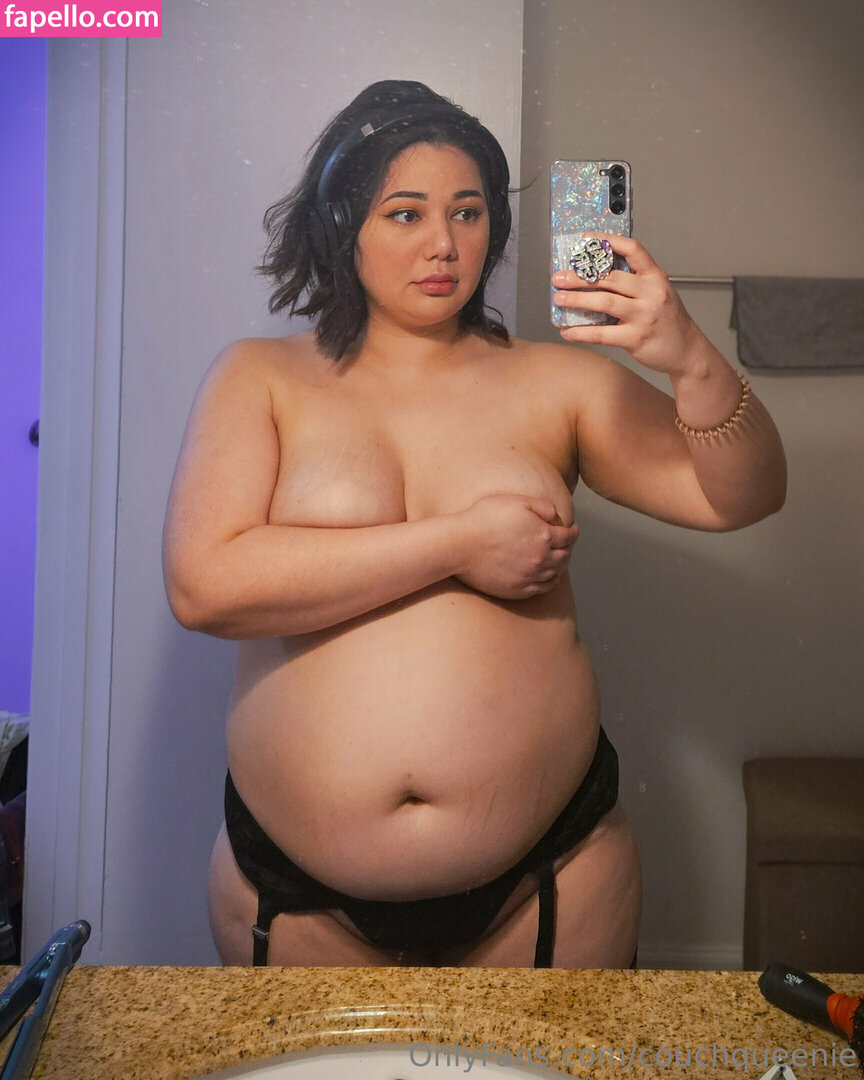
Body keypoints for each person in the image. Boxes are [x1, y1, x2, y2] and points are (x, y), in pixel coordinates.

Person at [162, 80, 786, 969]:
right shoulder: (258, 376)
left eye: (468, 212)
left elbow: (742, 496)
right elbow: (204, 586)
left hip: (553, 880)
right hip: (298, 898)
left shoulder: (557, 382)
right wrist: (459, 542)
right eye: (405, 214)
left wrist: (688, 356)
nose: (444, 245)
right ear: (344, 225)